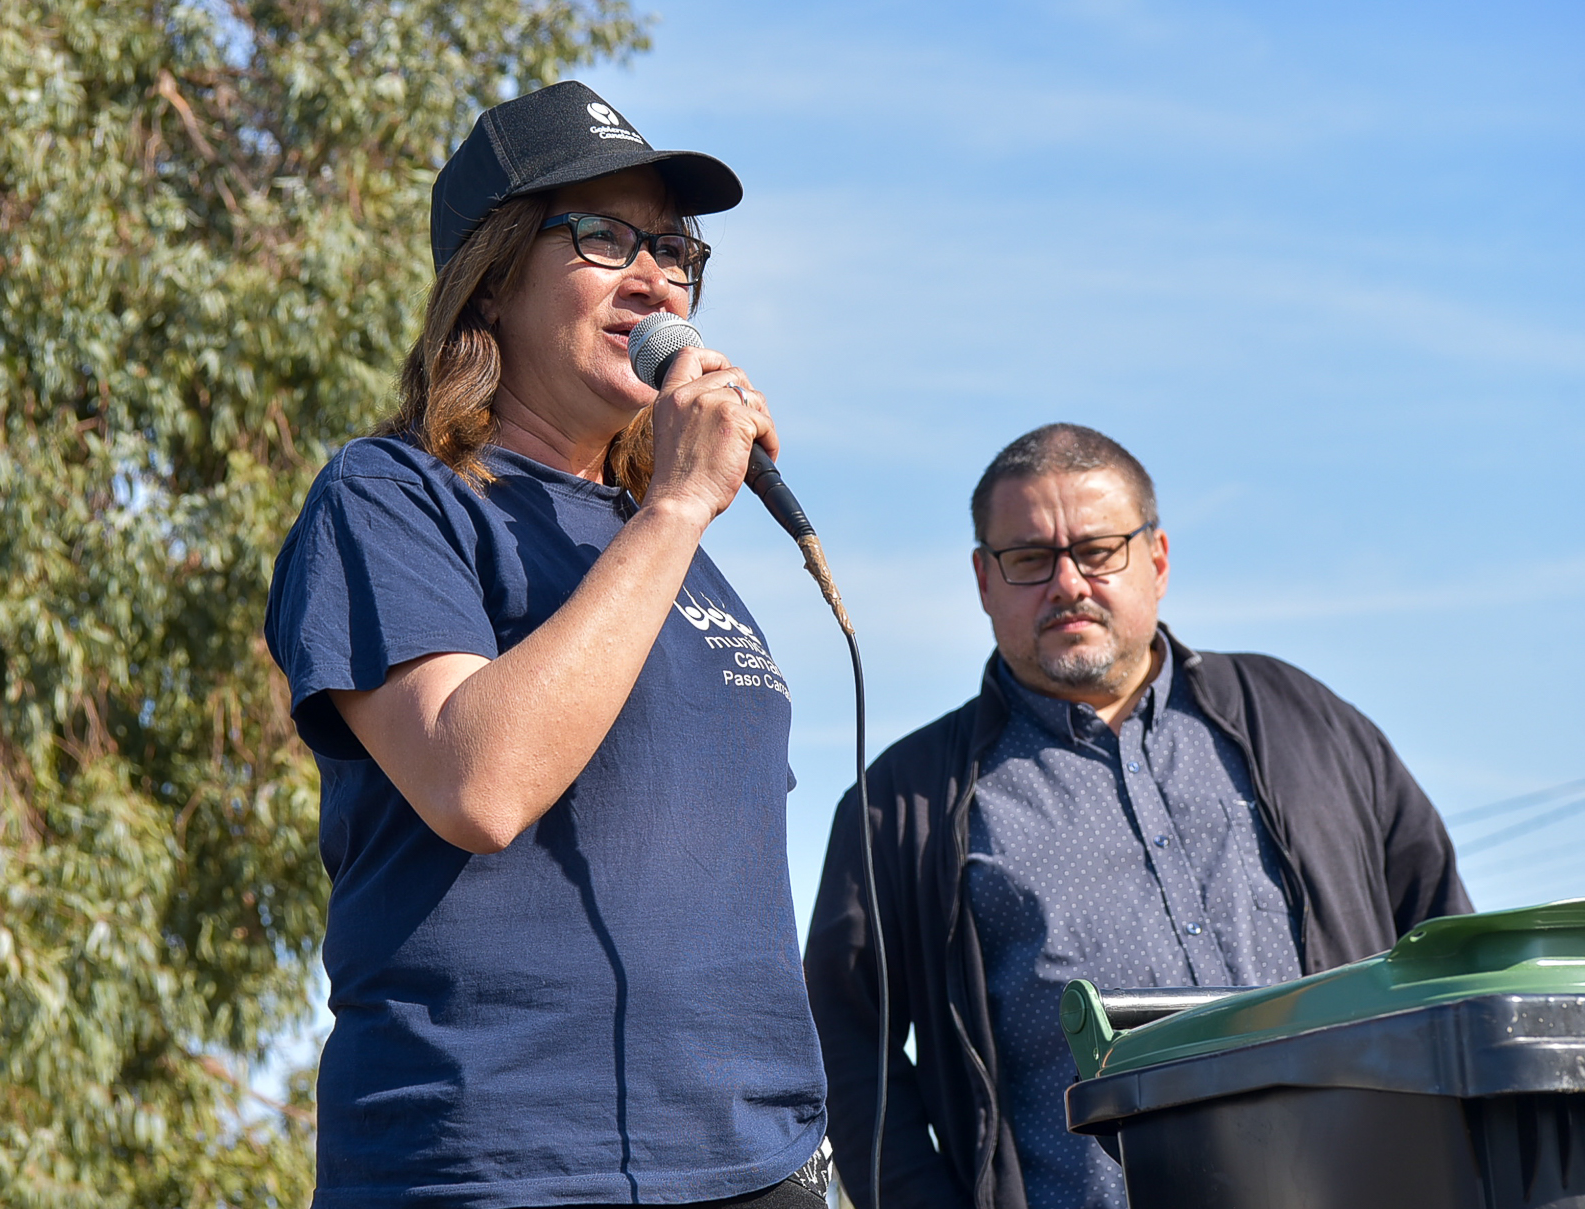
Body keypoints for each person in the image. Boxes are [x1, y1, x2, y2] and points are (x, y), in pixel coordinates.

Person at [265, 81, 831, 1209]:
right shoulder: (392, 497)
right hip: (501, 1162)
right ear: (493, 274)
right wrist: (678, 506)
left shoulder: (661, 535)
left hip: (753, 1160)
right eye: (604, 237)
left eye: (674, 249)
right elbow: (479, 783)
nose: (655, 279)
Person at [803, 423, 1471, 1209]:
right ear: (983, 580)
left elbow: (1448, 959)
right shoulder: (902, 804)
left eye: (1098, 550)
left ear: (1157, 558)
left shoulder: (1310, 725)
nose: (1068, 583)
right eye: (1030, 559)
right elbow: (845, 1050)